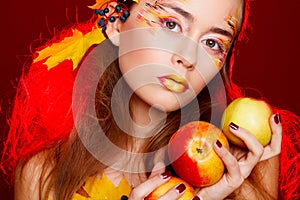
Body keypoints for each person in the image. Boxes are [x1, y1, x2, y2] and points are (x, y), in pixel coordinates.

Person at [1, 0, 299, 199]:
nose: (188, 57)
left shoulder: (243, 164)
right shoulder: (43, 176)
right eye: (170, 24)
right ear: (117, 23)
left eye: (212, 42)